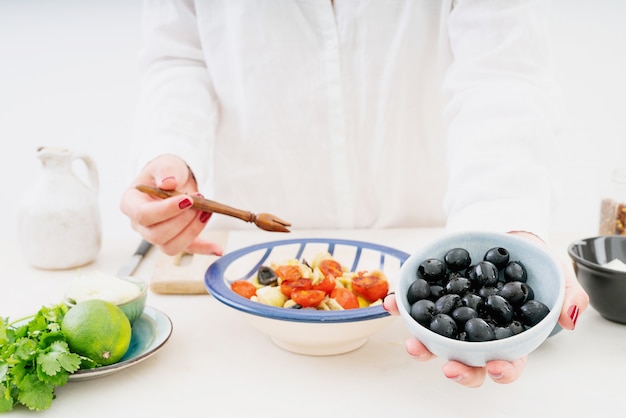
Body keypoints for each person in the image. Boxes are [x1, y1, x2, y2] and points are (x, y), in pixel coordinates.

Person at [120, 0, 589, 387]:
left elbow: (501, 72)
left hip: (427, 223)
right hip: (251, 251)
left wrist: (501, 217)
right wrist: (171, 150)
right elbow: (178, 57)